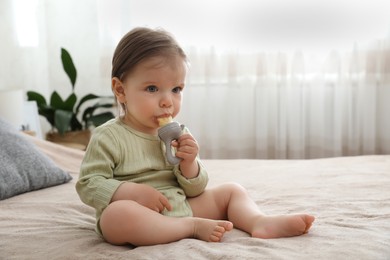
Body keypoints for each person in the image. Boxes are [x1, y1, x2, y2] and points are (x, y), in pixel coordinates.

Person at [76, 27, 315, 246]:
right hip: (140, 214)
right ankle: (189, 227)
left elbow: (195, 190)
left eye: (176, 89)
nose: (167, 100)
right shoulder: (108, 136)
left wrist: (190, 164)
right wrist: (127, 192)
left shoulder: (179, 134)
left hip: (181, 204)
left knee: (232, 191)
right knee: (115, 217)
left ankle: (258, 222)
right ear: (121, 90)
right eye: (152, 89)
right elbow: (88, 183)